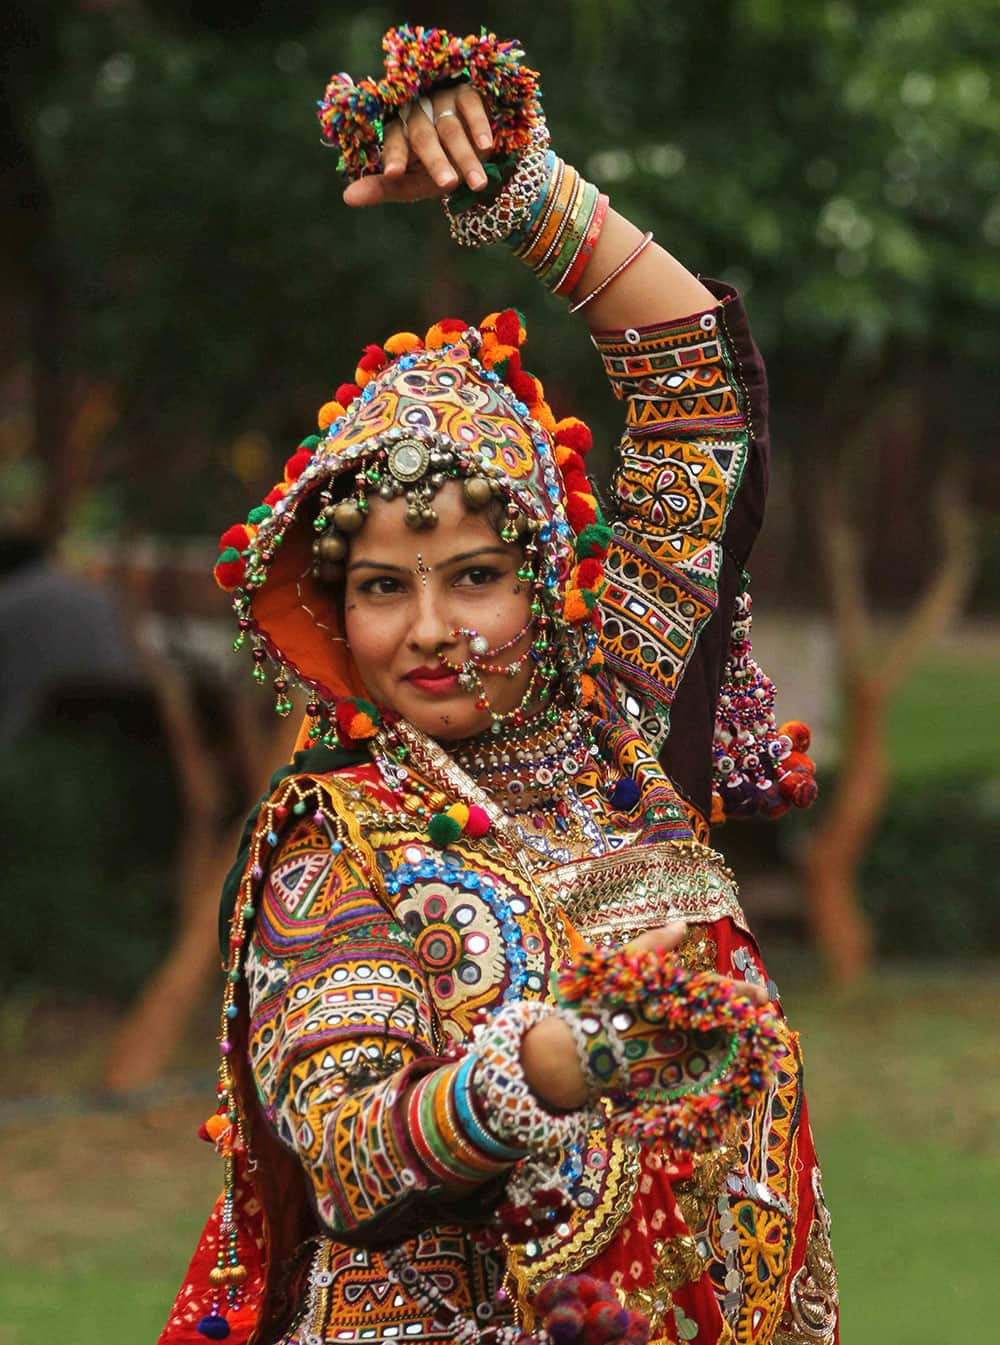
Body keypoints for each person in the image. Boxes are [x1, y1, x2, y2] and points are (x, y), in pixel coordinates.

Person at [160, 28, 838, 1345]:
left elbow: (699, 392)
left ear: (542, 578)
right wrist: (543, 1067)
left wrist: (522, 187)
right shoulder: (343, 832)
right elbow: (346, 1150)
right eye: (380, 587)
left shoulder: (624, 723)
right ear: (332, 610)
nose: (430, 628)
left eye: (473, 575)